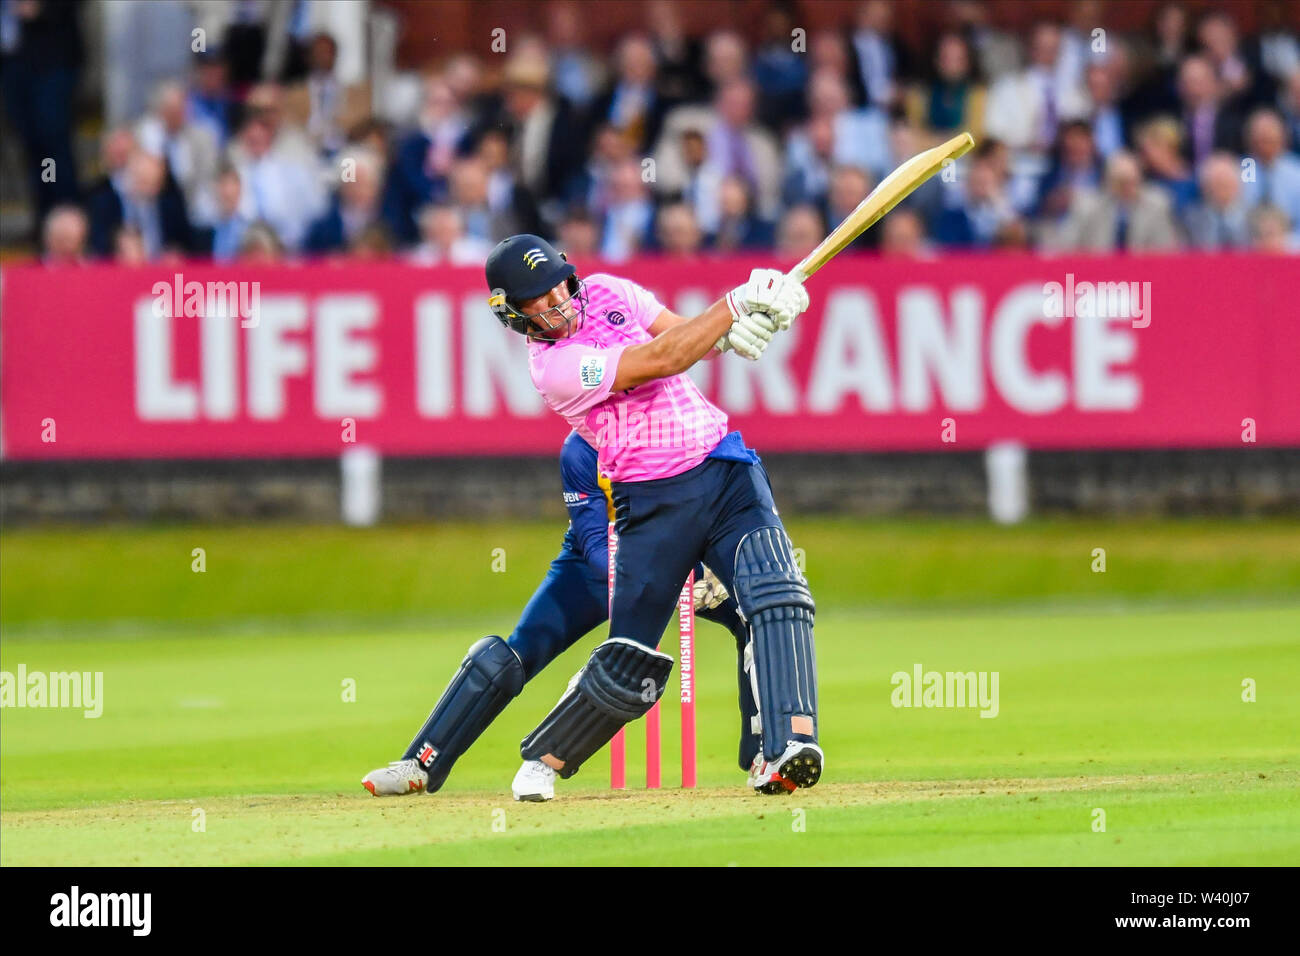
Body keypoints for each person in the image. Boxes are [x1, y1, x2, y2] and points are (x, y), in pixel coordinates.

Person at [482, 234, 822, 797]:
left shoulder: (609, 291)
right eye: (535, 302)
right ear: (513, 315)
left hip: (723, 466)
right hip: (651, 499)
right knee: (631, 662)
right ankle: (545, 756)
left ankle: (786, 747)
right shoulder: (556, 368)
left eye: (555, 289)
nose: (554, 304)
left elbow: (685, 338)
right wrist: (735, 303)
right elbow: (660, 359)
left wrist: (743, 327)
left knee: (778, 595)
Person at [361, 433, 789, 801]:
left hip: (680, 550)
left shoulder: (677, 427)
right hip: (595, 563)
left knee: (759, 620)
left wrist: (702, 569)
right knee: (513, 654)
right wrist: (668, 577)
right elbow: (592, 540)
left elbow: (726, 498)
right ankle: (421, 763)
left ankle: (765, 754)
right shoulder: (581, 449)